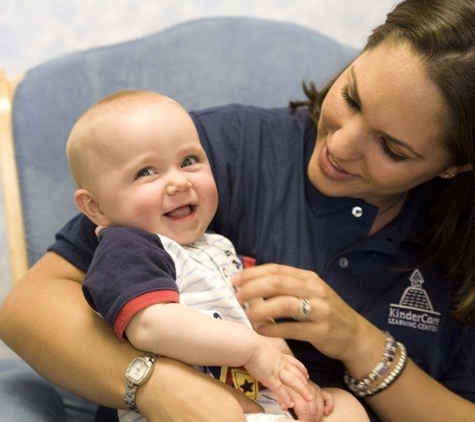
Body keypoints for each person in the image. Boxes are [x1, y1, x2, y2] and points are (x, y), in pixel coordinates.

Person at [0, 0, 474, 421]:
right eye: (350, 97)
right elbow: (28, 308)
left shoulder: (460, 245)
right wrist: (153, 382)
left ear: (455, 165)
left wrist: (362, 346)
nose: (341, 145)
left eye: (391, 148)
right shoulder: (203, 159)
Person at [64, 89, 360, 422]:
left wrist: (293, 382)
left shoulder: (218, 247)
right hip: (186, 408)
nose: (178, 182)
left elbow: (257, 326)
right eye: (146, 172)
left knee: (344, 405)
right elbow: (151, 326)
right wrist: (251, 348)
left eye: (189, 161)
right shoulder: (126, 248)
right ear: (95, 207)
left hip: (254, 401)